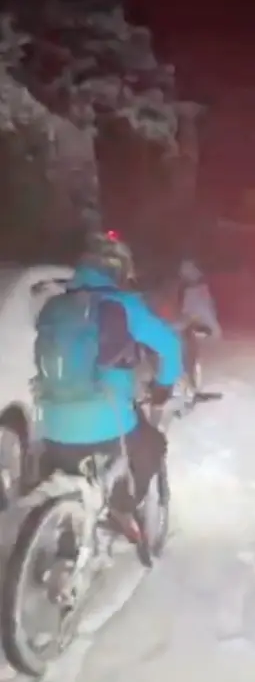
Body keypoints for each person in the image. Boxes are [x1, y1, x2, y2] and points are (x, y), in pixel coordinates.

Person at [33, 230, 183, 538]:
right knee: (152, 446)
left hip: (49, 424)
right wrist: (163, 386)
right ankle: (121, 508)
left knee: (67, 465)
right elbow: (169, 345)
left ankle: (64, 538)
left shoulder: (54, 307)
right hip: (106, 425)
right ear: (118, 270)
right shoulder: (123, 305)